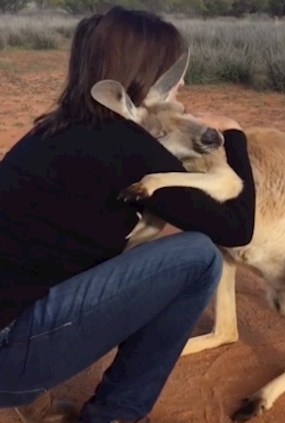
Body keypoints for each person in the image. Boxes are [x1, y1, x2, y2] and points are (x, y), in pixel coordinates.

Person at [0, 7, 256, 423]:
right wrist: (236, 133)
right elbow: (238, 228)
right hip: (10, 351)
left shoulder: (53, 129)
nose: (182, 83)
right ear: (139, 78)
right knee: (198, 257)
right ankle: (114, 413)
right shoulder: (127, 148)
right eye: (170, 73)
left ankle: (34, 401)